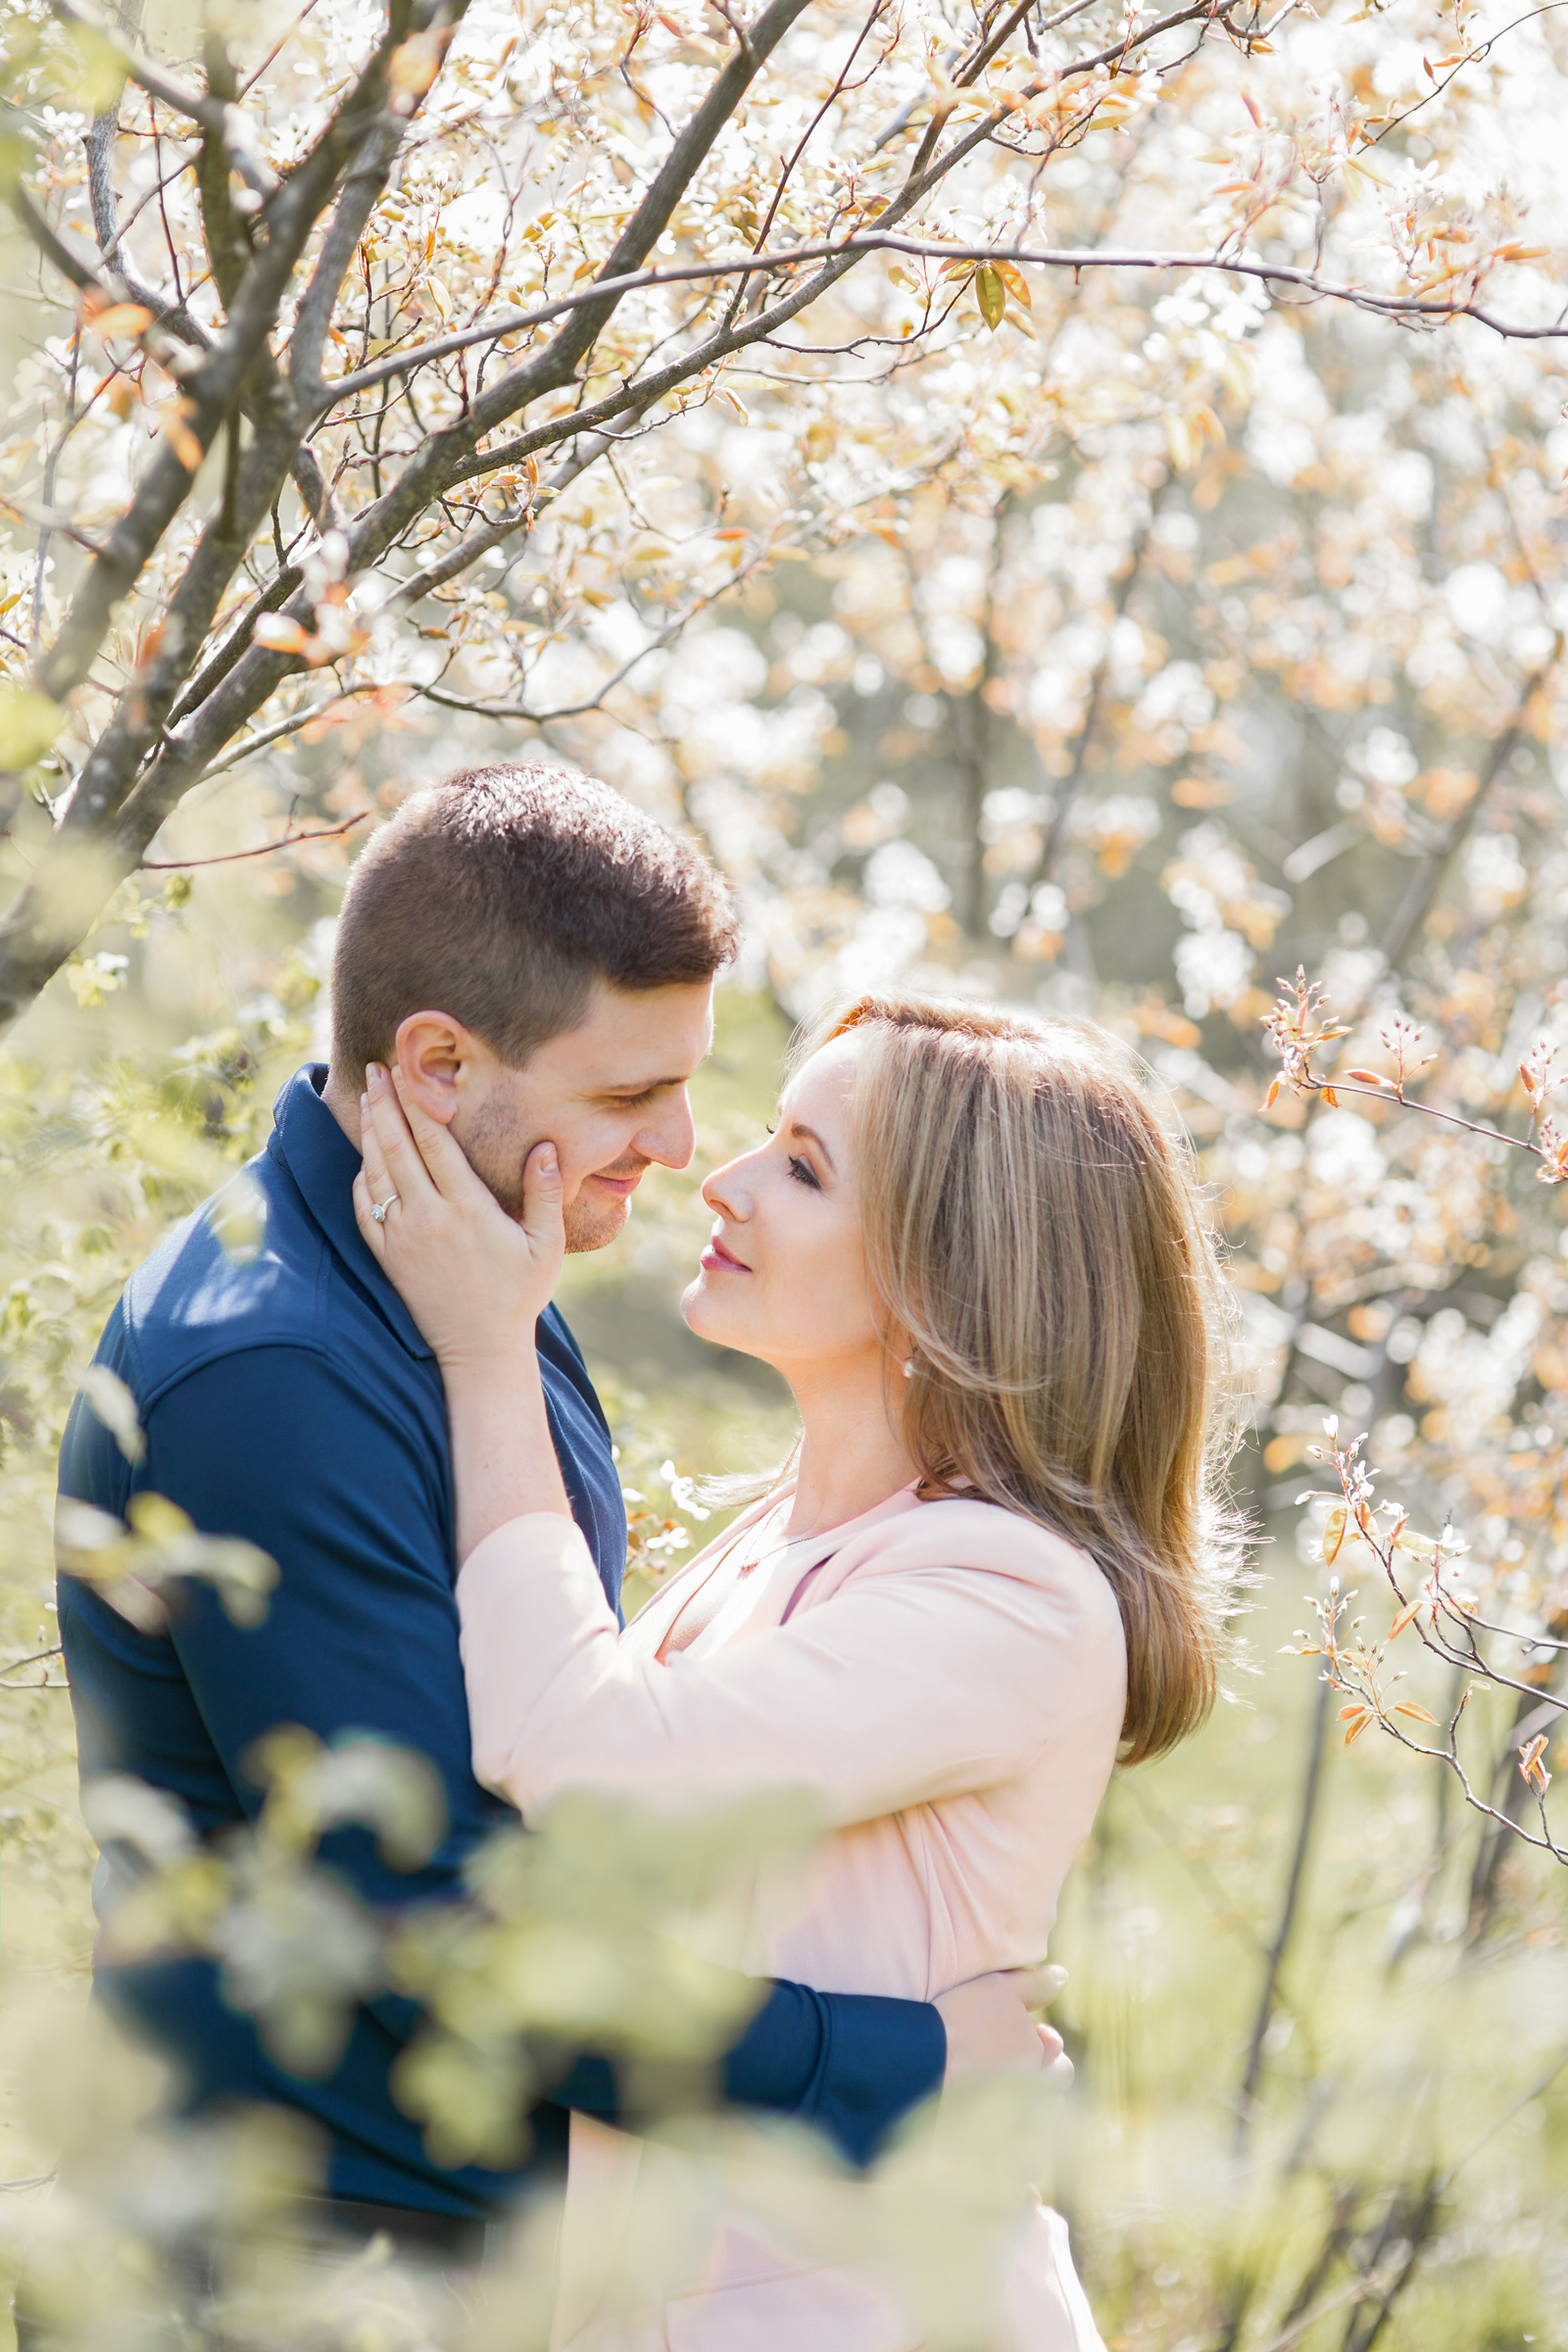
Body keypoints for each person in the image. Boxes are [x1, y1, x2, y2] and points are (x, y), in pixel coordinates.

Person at [52, 769, 1053, 2292]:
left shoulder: (470, 1284)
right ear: (439, 1065)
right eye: (626, 1094)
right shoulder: (278, 1377)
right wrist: (885, 2064)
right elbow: (435, 1918)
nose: (677, 1143)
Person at [353, 985, 1237, 2348]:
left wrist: (487, 1345)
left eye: (805, 1169)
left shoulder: (1013, 1600)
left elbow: (585, 1766)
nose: (724, 1180)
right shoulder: (771, 1542)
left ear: (951, 1272)